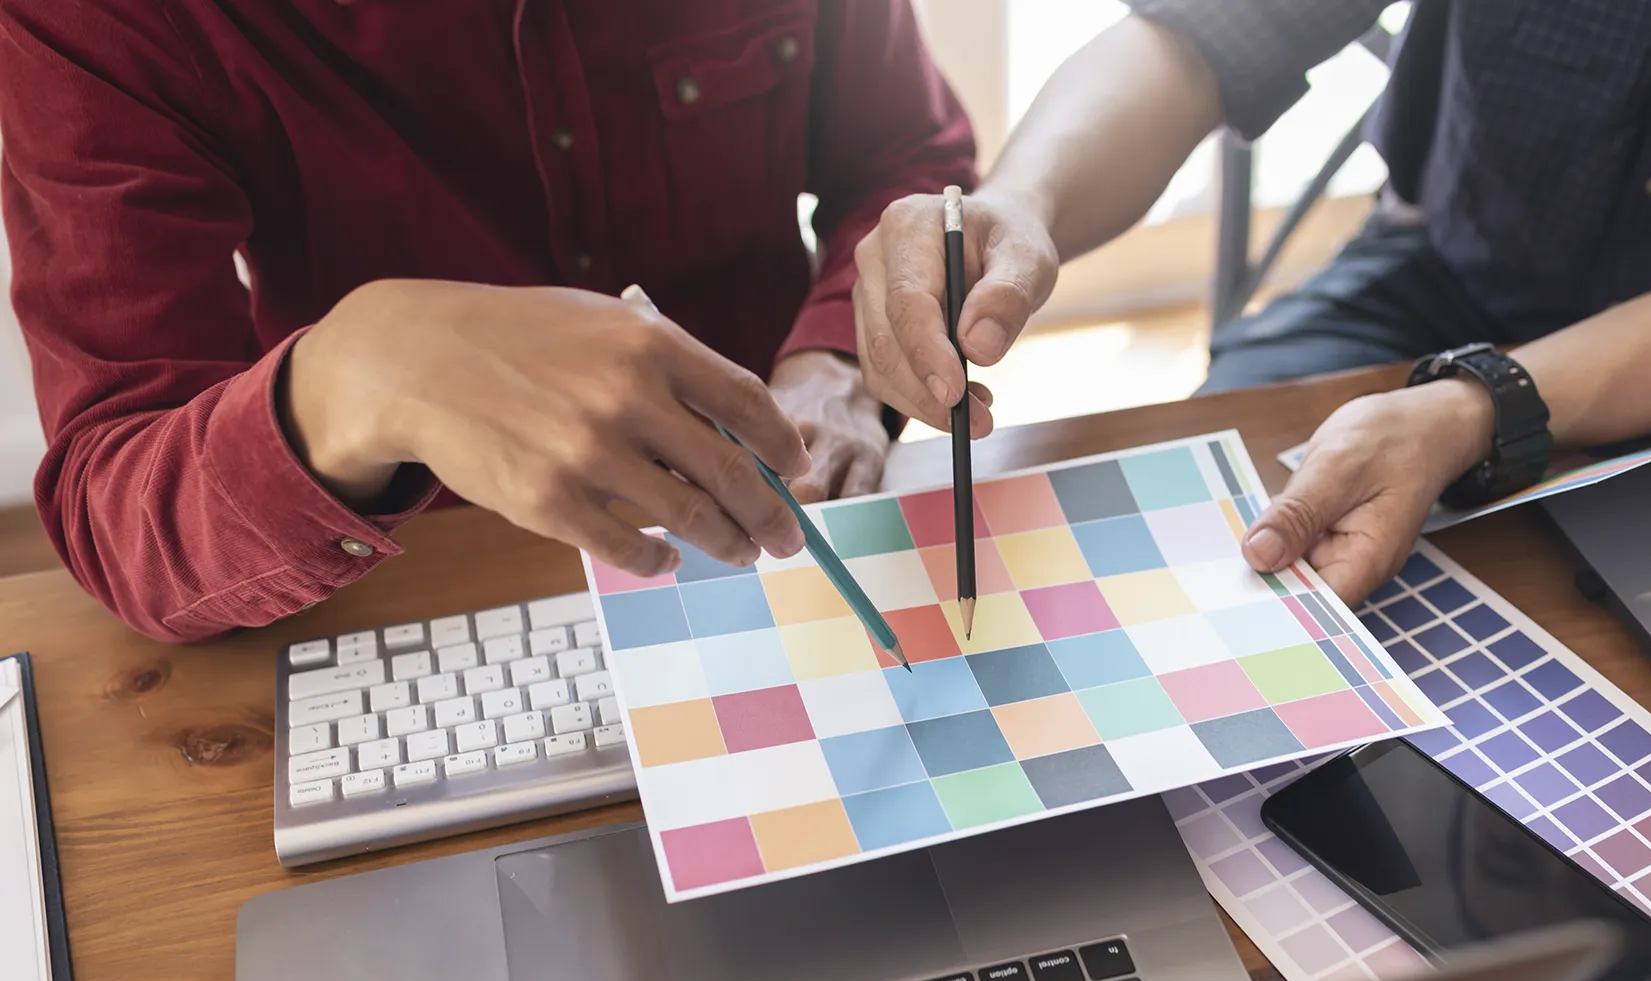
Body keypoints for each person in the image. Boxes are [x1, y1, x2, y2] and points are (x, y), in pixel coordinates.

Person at [853, 0, 1651, 604]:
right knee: (1222, 552)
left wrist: (1473, 406)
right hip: (1439, 281)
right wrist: (1020, 201)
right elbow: (1197, 36)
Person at [0, 1, 976, 641]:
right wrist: (350, 378)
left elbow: (907, 155)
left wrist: (837, 361)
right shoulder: (95, 18)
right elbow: (115, 495)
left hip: (789, 539)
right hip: (424, 597)